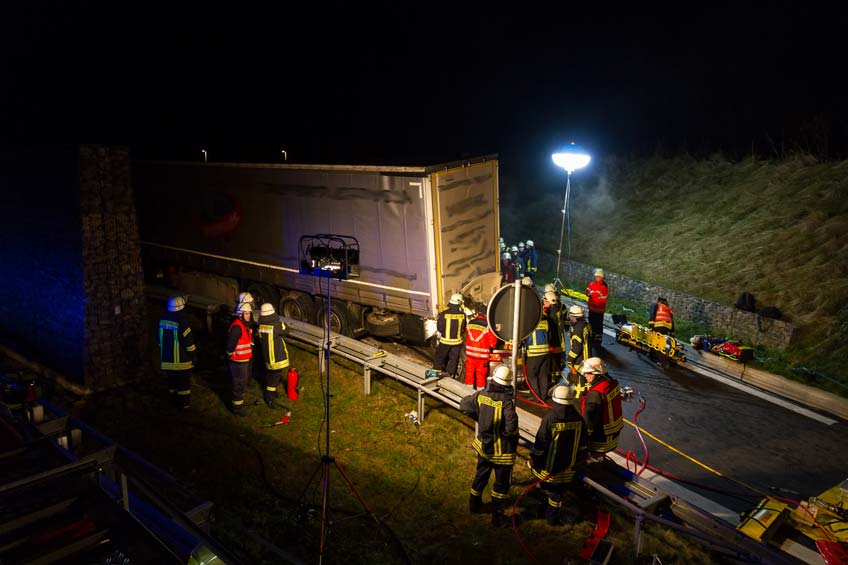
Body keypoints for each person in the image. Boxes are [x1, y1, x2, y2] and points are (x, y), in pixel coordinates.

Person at [460, 365, 519, 527]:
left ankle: (474, 505)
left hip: (484, 448)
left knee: (481, 476)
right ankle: (498, 516)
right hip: (501, 452)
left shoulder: (482, 394)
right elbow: (511, 425)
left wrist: (478, 417)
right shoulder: (506, 402)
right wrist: (507, 434)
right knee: (501, 484)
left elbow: (464, 405)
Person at [530, 385, 587, 525]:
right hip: (568, 467)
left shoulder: (550, 419)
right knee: (558, 494)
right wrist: (579, 461)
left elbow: (541, 443)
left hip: (547, 468)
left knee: (545, 488)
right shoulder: (579, 420)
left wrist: (534, 460)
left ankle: (539, 508)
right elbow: (583, 444)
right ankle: (552, 518)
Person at [579, 357, 623, 461]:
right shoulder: (612, 384)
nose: (585, 376)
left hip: (600, 439)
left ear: (597, 374)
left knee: (590, 461)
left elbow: (590, 419)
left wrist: (583, 438)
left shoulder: (595, 394)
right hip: (614, 434)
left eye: (589, 373)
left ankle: (595, 464)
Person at [158, 296, 197, 409]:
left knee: (172, 384)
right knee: (183, 386)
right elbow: (189, 344)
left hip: (166, 361)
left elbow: (159, 341)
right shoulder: (182, 323)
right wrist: (193, 357)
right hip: (181, 363)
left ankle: (173, 402)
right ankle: (184, 406)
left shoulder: (162, 320)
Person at [256, 303, 291, 409]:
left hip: (267, 357)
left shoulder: (261, 325)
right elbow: (286, 330)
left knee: (270, 375)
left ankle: (273, 392)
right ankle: (269, 398)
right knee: (274, 378)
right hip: (276, 357)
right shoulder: (276, 325)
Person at [226, 302, 254, 416]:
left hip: (243, 360)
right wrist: (230, 354)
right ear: (240, 315)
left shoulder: (243, 325)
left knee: (241, 383)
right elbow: (230, 345)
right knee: (238, 384)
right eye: (246, 314)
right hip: (237, 361)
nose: (248, 316)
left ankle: (239, 404)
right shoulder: (237, 327)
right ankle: (237, 409)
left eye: (249, 313)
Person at [464, 305, 498, 389]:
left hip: (470, 354)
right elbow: (492, 343)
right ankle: (479, 393)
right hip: (482, 356)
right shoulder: (488, 325)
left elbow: (466, 335)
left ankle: (468, 392)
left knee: (469, 373)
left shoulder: (470, 322)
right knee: (480, 375)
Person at [434, 294, 467, 378]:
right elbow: (464, 328)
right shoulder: (463, 315)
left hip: (445, 342)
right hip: (457, 343)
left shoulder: (444, 314)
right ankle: (450, 374)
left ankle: (436, 374)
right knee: (454, 359)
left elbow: (440, 328)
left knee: (440, 358)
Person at [566, 305, 592, 383]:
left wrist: (569, 360)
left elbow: (576, 349)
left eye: (570, 316)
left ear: (573, 316)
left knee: (579, 384)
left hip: (579, 361)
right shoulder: (586, 324)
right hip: (587, 358)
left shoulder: (577, 329)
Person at [586, 268, 609, 354]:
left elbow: (599, 297)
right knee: (591, 324)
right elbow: (587, 291)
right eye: (595, 276)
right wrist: (592, 293)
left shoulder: (604, 287)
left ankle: (597, 342)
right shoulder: (592, 284)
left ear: (601, 277)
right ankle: (591, 339)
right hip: (592, 309)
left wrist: (592, 294)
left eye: (597, 276)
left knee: (598, 326)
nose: (595, 277)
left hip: (599, 311)